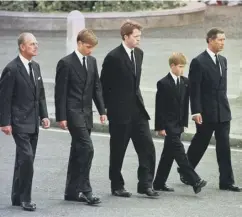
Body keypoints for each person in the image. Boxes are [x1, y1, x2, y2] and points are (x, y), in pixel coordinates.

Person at [177, 28, 241, 192]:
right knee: (201, 142)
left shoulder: (223, 60)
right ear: (210, 40)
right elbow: (194, 89)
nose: (223, 43)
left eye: (224, 40)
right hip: (206, 112)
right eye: (220, 39)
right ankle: (186, 170)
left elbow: (222, 87)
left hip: (223, 112)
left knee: (224, 147)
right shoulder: (199, 61)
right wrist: (196, 111)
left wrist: (225, 107)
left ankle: (226, 182)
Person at [100, 20, 159, 198]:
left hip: (138, 110)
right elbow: (104, 86)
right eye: (136, 36)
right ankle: (117, 185)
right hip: (119, 112)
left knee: (147, 148)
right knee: (118, 150)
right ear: (126, 37)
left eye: (140, 36)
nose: (139, 39)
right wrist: (106, 110)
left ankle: (145, 184)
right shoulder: (113, 57)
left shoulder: (139, 54)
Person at [55, 29, 106, 205]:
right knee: (87, 148)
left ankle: (71, 192)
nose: (90, 50)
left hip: (87, 112)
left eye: (92, 48)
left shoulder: (92, 62)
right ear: (79, 43)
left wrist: (102, 110)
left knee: (78, 151)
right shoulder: (66, 63)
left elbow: (96, 87)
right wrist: (61, 116)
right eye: (88, 46)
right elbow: (60, 92)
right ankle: (85, 190)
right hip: (73, 112)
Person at [0, 32, 50, 211]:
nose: (36, 46)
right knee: (27, 158)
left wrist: (44, 115)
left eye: (36, 43)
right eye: (32, 44)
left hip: (33, 121)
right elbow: (4, 98)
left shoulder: (35, 67)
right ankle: (26, 198)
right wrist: (4, 122)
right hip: (19, 121)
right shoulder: (12, 69)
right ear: (22, 47)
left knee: (24, 159)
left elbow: (41, 93)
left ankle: (16, 197)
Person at [153, 52, 207, 194]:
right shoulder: (163, 83)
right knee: (180, 153)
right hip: (168, 125)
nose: (182, 70)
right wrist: (160, 127)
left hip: (178, 124)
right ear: (172, 66)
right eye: (180, 66)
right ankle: (195, 180)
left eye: (184, 67)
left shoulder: (185, 82)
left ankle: (159, 182)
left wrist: (185, 121)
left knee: (168, 155)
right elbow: (159, 107)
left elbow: (186, 103)